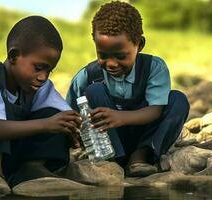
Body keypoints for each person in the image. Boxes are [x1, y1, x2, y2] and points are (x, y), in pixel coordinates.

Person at [0, 16, 81, 188]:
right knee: (3, 116)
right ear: (13, 56)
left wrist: (76, 128)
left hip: (13, 152)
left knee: (57, 116)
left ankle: (33, 167)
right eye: (38, 68)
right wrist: (47, 124)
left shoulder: (36, 85)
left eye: (49, 71)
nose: (43, 77)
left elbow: (62, 115)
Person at [66, 1, 190, 177]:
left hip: (145, 133)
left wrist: (120, 117)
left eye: (120, 56)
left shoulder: (154, 68)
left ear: (139, 44)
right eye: (103, 55)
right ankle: (113, 162)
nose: (111, 63)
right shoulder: (87, 75)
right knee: (94, 91)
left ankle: (141, 156)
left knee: (178, 100)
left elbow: (156, 110)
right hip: (109, 142)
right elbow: (69, 111)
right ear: (94, 42)